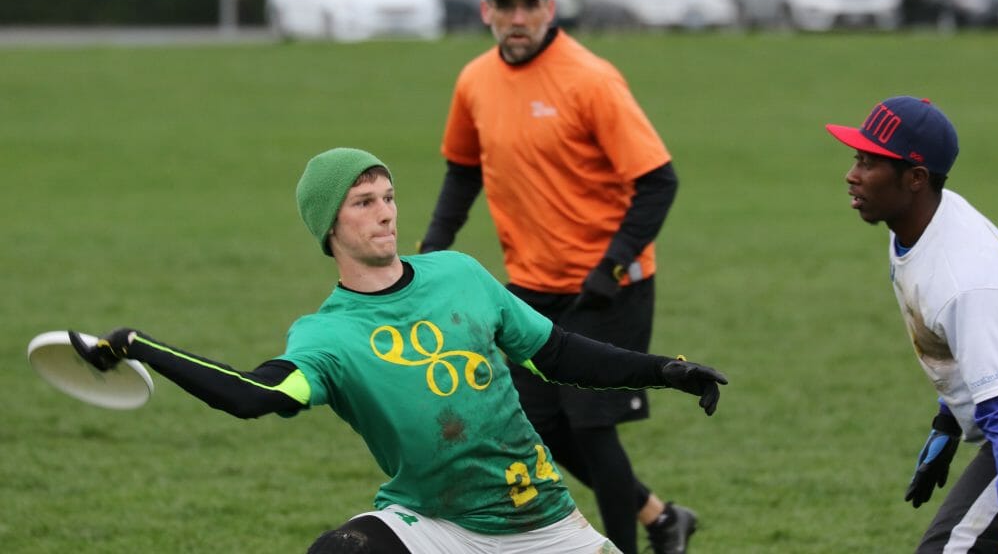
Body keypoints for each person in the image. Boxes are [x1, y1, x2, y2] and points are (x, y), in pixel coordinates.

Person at [70, 147, 728, 554]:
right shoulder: (328, 335)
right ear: (330, 228)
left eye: (387, 197)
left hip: (544, 527)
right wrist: (141, 345)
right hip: (434, 524)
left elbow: (559, 355)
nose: (385, 212)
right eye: (363, 202)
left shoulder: (459, 275)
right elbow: (257, 396)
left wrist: (667, 370)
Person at [419, 0, 693, 554]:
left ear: (550, 9)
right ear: (486, 11)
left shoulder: (590, 78)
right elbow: (463, 172)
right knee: (539, 426)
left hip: (609, 286)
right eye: (505, 6)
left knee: (593, 431)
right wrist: (430, 252)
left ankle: (625, 543)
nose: (517, 18)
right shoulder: (474, 81)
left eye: (529, 5)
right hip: (532, 287)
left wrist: (612, 263)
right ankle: (660, 517)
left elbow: (658, 181)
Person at [827, 96, 998, 554]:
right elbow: (968, 346)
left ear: (915, 179)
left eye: (869, 162)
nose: (852, 174)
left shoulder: (964, 280)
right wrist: (947, 422)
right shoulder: (916, 226)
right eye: (856, 158)